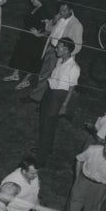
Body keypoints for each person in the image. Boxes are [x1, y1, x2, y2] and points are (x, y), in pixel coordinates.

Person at [35, 37, 80, 166]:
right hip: (50, 92)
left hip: (59, 96)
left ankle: (40, 159)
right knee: (45, 121)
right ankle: (46, 148)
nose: (56, 49)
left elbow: (71, 88)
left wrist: (64, 105)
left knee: (48, 125)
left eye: (59, 47)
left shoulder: (74, 68)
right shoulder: (60, 60)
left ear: (66, 50)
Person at [30, 3, 83, 99]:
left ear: (71, 10)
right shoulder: (59, 17)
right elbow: (49, 29)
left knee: (54, 78)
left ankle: (43, 99)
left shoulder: (76, 25)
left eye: (64, 11)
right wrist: (54, 21)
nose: (61, 13)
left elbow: (78, 46)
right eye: (60, 10)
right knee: (44, 73)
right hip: (51, 48)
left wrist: (65, 55)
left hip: (61, 54)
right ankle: (37, 97)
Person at [3, 0, 50, 89]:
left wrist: (39, 34)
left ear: (40, 0)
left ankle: (26, 81)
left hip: (34, 39)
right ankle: (15, 75)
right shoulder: (33, 7)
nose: (31, 1)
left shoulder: (44, 11)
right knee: (19, 54)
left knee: (31, 60)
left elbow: (50, 29)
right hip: (26, 35)